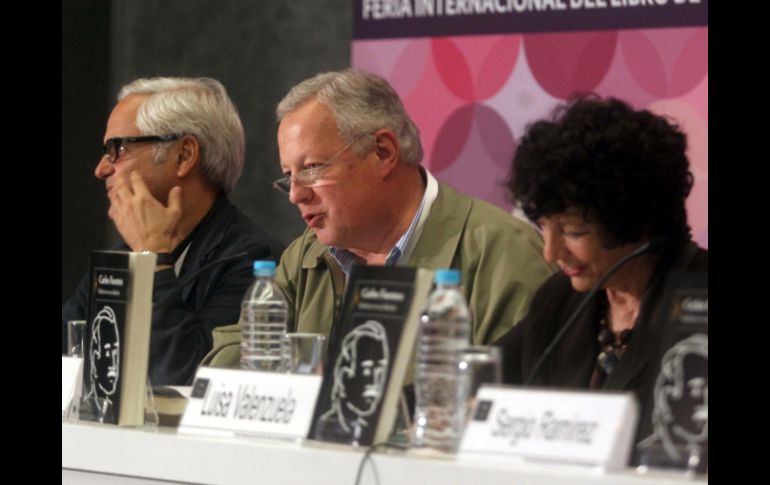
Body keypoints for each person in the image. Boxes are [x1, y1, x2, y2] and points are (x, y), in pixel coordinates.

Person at [206, 68, 552, 364]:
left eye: (311, 168)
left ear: (382, 152)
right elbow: (232, 356)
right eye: (289, 175)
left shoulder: (503, 250)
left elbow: (517, 394)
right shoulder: (306, 256)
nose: (296, 194)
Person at [495, 94, 708, 461]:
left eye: (573, 231)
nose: (551, 252)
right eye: (543, 227)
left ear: (634, 221)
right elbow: (475, 378)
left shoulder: (700, 296)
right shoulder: (558, 299)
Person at [62, 77, 284, 385]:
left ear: (183, 155)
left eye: (117, 148)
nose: (100, 169)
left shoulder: (255, 262)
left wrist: (153, 255)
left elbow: (182, 379)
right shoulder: (123, 254)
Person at [316, 320, 389, 444]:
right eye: (367, 369)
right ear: (344, 375)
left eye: (380, 370)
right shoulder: (321, 427)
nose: (375, 380)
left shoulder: (374, 430)